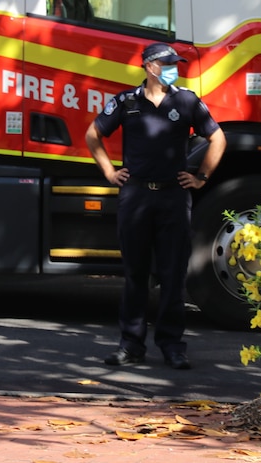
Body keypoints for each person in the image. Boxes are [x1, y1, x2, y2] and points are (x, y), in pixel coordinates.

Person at [86, 42, 226, 370]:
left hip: (172, 197)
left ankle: (172, 346)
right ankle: (131, 345)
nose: (173, 68)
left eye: (175, 63)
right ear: (149, 66)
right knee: (135, 274)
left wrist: (202, 177)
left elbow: (218, 138)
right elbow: (94, 134)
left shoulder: (187, 100)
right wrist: (108, 171)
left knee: (173, 275)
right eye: (167, 63)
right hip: (135, 196)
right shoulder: (126, 101)